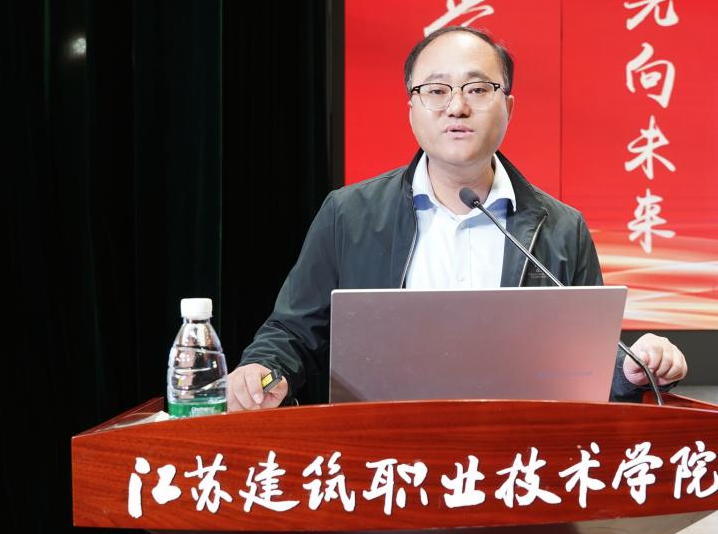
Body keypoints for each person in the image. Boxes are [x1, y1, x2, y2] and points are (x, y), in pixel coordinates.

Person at [227, 26, 686, 411]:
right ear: (412, 109)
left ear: (508, 107)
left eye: (478, 89)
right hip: (380, 457)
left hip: (519, 458)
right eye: (436, 90)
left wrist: (634, 369)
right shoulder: (349, 214)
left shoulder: (562, 228)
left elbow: (589, 365)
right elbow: (292, 333)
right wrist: (263, 371)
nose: (457, 107)